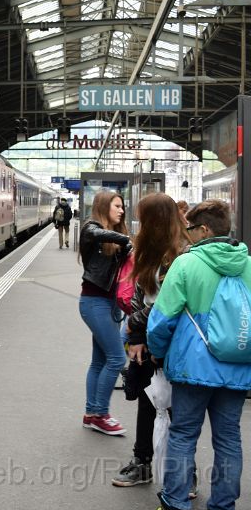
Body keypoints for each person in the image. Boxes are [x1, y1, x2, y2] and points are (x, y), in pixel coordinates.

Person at [148, 199, 251, 510]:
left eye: (190, 228)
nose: (187, 234)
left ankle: (176, 503)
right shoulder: (247, 263)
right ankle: (222, 507)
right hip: (237, 367)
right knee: (229, 437)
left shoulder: (186, 263)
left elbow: (162, 320)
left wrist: (158, 353)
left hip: (193, 368)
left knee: (183, 434)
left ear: (204, 230)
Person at [111, 193, 188, 487]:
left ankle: (185, 472)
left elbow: (168, 303)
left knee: (178, 409)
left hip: (175, 340)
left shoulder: (183, 254)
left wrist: (134, 325)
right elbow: (141, 295)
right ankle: (142, 462)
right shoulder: (147, 250)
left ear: (156, 220)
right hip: (149, 337)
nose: (139, 223)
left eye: (144, 218)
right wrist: (139, 337)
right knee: (148, 399)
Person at [78, 190, 131, 436]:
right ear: (104, 206)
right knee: (117, 359)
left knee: (100, 361)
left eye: (122, 206)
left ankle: (91, 414)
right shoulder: (91, 228)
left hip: (108, 303)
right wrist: (123, 240)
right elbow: (97, 233)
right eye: (117, 206)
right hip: (94, 302)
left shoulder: (115, 237)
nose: (122, 210)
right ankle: (101, 414)